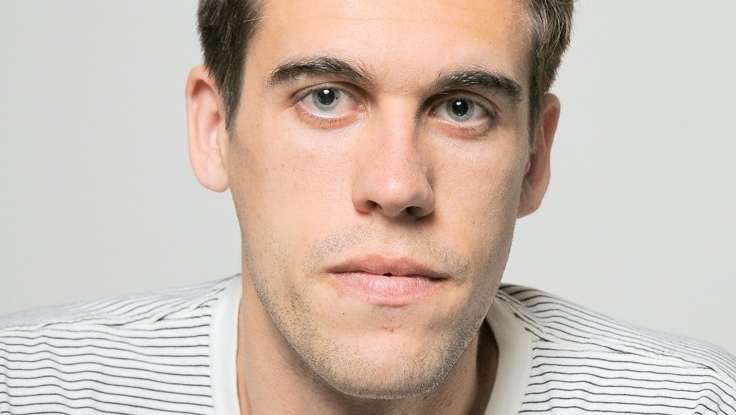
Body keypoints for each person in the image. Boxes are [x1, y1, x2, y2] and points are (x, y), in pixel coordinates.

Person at [1, 0, 735, 414]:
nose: (397, 185)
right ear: (214, 128)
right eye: (325, 98)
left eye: (461, 107)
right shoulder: (27, 390)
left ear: (535, 158)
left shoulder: (694, 405)